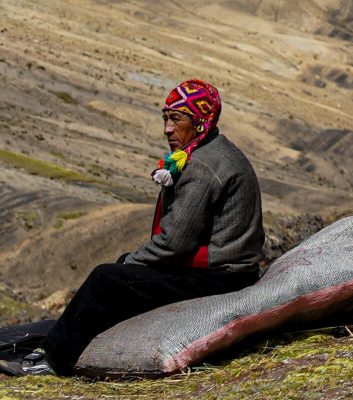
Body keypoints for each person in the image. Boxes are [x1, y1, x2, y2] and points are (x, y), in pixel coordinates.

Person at [15, 79, 266, 376]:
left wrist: (130, 262)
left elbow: (174, 244)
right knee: (123, 272)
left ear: (200, 122)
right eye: (165, 117)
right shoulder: (214, 151)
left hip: (220, 277)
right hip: (228, 270)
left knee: (107, 278)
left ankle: (53, 360)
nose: (167, 128)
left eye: (176, 118)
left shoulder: (202, 166)